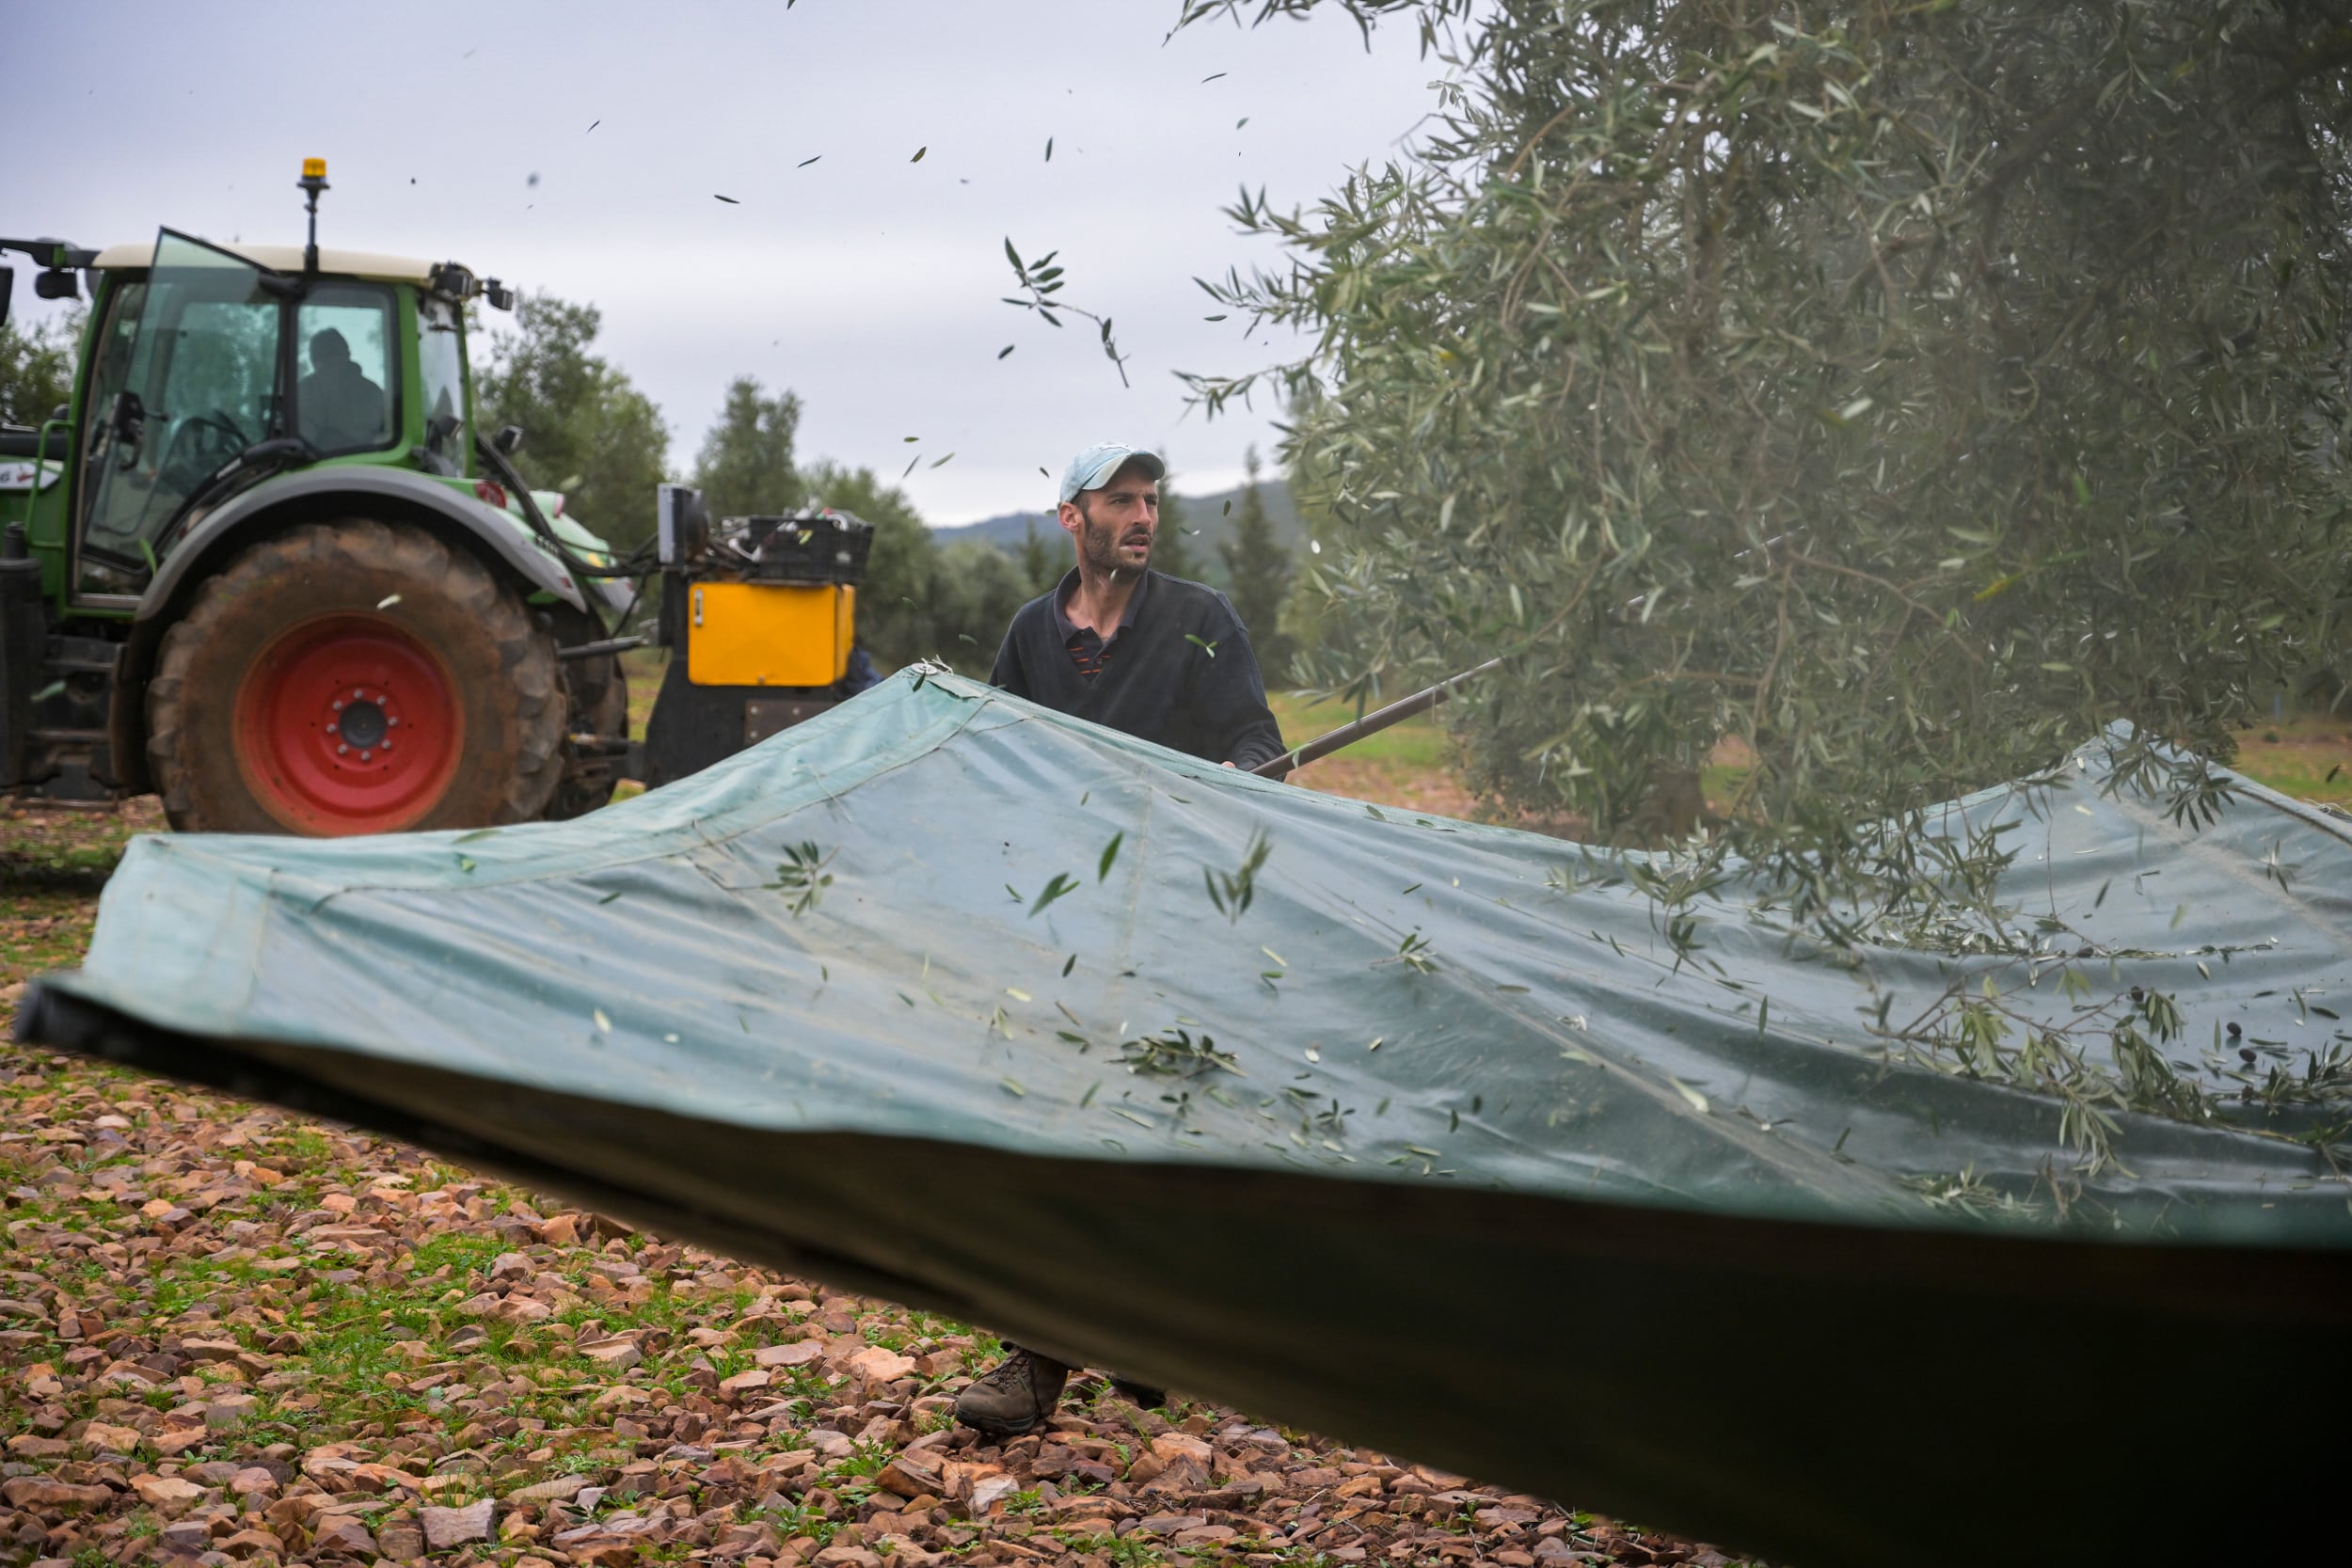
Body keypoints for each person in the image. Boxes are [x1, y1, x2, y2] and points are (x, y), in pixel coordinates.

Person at [955, 443, 1290, 1438]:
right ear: (1073, 516)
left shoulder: (1199, 621)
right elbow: (996, 760)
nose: (1142, 515)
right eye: (1120, 500)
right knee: (1055, 1126)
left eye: (1151, 500)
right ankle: (1046, 1354)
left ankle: (1135, 1334)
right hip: (1061, 927)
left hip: (1174, 914)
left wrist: (1233, 776)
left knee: (1158, 1122)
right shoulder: (1030, 634)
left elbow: (1259, 743)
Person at [298, 327, 387, 451]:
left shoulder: (304, 391)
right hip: (371, 466)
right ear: (348, 354)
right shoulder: (375, 392)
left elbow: (299, 444)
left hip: (316, 466)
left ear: (314, 360)